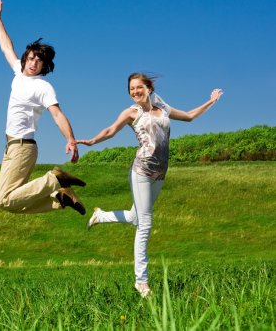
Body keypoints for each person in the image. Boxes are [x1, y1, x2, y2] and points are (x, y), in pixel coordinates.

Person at [76, 72, 223, 297]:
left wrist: (211, 101)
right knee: (145, 223)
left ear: (149, 88)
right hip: (142, 170)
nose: (135, 92)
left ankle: (101, 216)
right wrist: (93, 141)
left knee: (136, 217)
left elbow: (190, 116)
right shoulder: (131, 113)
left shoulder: (162, 108)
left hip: (160, 172)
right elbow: (110, 130)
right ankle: (141, 282)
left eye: (138, 87)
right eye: (131, 89)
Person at [0, 0, 86, 216]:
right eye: (31, 58)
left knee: (4, 200)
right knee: (9, 202)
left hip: (23, 147)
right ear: (25, 59)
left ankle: (55, 178)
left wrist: (70, 139)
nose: (33, 63)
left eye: (38, 61)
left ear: (44, 66)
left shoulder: (42, 87)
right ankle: (61, 198)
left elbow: (57, 114)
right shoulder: (18, 73)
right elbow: (6, 46)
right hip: (11, 147)